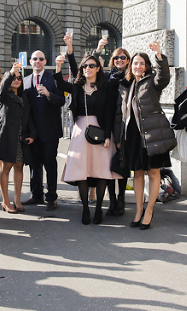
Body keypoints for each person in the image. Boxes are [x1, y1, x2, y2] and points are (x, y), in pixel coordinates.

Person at [55, 43, 120, 225]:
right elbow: (60, 83)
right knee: (81, 171)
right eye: (85, 66)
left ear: (98, 68)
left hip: (100, 130)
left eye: (92, 66)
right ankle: (85, 207)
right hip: (80, 131)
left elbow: (108, 112)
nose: (88, 68)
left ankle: (99, 207)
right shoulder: (77, 86)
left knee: (100, 171)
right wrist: (59, 66)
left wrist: (108, 135)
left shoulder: (105, 87)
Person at [114, 42, 176, 230]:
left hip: (152, 133)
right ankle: (139, 210)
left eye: (141, 63)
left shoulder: (152, 81)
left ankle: (149, 210)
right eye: (135, 63)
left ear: (147, 66)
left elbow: (164, 77)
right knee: (138, 173)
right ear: (130, 66)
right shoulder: (126, 84)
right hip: (132, 134)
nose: (138, 66)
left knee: (154, 172)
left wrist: (159, 56)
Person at [22, 50, 65, 211]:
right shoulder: (25, 81)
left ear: (45, 61)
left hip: (50, 130)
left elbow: (61, 101)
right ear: (30, 61)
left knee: (50, 164)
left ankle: (52, 197)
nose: (37, 61)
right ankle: (36, 194)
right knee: (34, 165)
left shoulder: (52, 79)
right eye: (35, 59)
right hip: (32, 132)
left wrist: (48, 94)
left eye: (41, 59)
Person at [0, 63, 36, 213]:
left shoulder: (23, 96)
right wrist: (11, 72)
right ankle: (5, 201)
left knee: (19, 167)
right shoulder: (3, 95)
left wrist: (32, 134)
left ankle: (17, 200)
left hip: (21, 137)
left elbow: (29, 117)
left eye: (19, 78)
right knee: (6, 167)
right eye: (13, 78)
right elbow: (1, 90)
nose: (17, 79)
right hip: (7, 136)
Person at [103, 47, 131, 216]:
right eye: (116, 58)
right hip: (107, 124)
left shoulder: (130, 77)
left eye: (123, 57)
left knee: (121, 163)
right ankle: (111, 199)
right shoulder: (107, 77)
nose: (119, 60)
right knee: (107, 165)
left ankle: (121, 200)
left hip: (122, 126)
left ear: (128, 60)